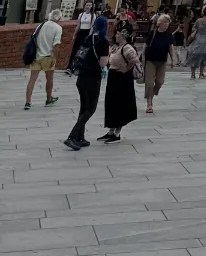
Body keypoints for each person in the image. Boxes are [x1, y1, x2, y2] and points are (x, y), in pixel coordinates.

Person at [64, 12, 110, 151]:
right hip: (93, 78)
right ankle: (72, 136)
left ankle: (80, 137)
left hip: (81, 76)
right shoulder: (103, 42)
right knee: (91, 108)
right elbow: (103, 63)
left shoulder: (88, 38)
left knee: (84, 108)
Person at [100, 20, 139, 142]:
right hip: (113, 78)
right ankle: (110, 130)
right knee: (111, 104)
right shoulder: (116, 47)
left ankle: (117, 133)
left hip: (122, 79)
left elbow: (134, 60)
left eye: (118, 34)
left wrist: (126, 69)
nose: (115, 36)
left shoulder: (127, 48)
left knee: (119, 105)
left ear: (123, 35)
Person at [24, 12, 63, 112]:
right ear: (59, 18)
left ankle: (28, 102)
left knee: (32, 80)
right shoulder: (58, 28)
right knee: (49, 80)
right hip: (48, 57)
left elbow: (34, 39)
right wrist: (54, 59)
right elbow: (56, 45)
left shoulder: (40, 26)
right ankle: (48, 99)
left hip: (36, 56)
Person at [187, 8, 206, 79]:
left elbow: (193, 29)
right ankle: (201, 73)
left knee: (194, 55)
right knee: (204, 56)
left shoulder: (198, 20)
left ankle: (193, 74)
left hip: (196, 39)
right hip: (204, 40)